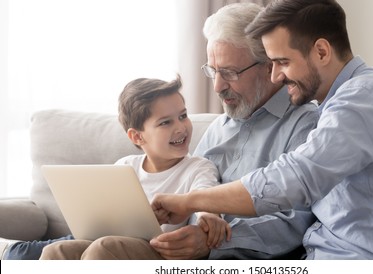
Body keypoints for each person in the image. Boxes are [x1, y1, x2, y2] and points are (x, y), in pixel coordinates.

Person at [152, 0, 373, 260]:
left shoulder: (364, 98)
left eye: (282, 62)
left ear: (321, 51)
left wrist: (189, 202)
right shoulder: (346, 101)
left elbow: (291, 180)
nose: (276, 75)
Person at [41, 2, 319, 260]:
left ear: (268, 67)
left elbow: (298, 220)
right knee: (57, 253)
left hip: (226, 257)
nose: (217, 87)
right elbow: (188, 193)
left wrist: (212, 239)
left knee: (104, 252)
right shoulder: (220, 127)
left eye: (230, 73)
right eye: (213, 71)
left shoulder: (304, 125)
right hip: (169, 243)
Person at [10, 76, 231, 260]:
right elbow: (104, 217)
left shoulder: (198, 167)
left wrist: (207, 216)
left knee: (104, 248)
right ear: (137, 136)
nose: (181, 127)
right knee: (55, 251)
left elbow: (206, 197)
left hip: (159, 253)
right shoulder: (125, 167)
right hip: (117, 242)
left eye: (183, 116)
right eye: (166, 122)